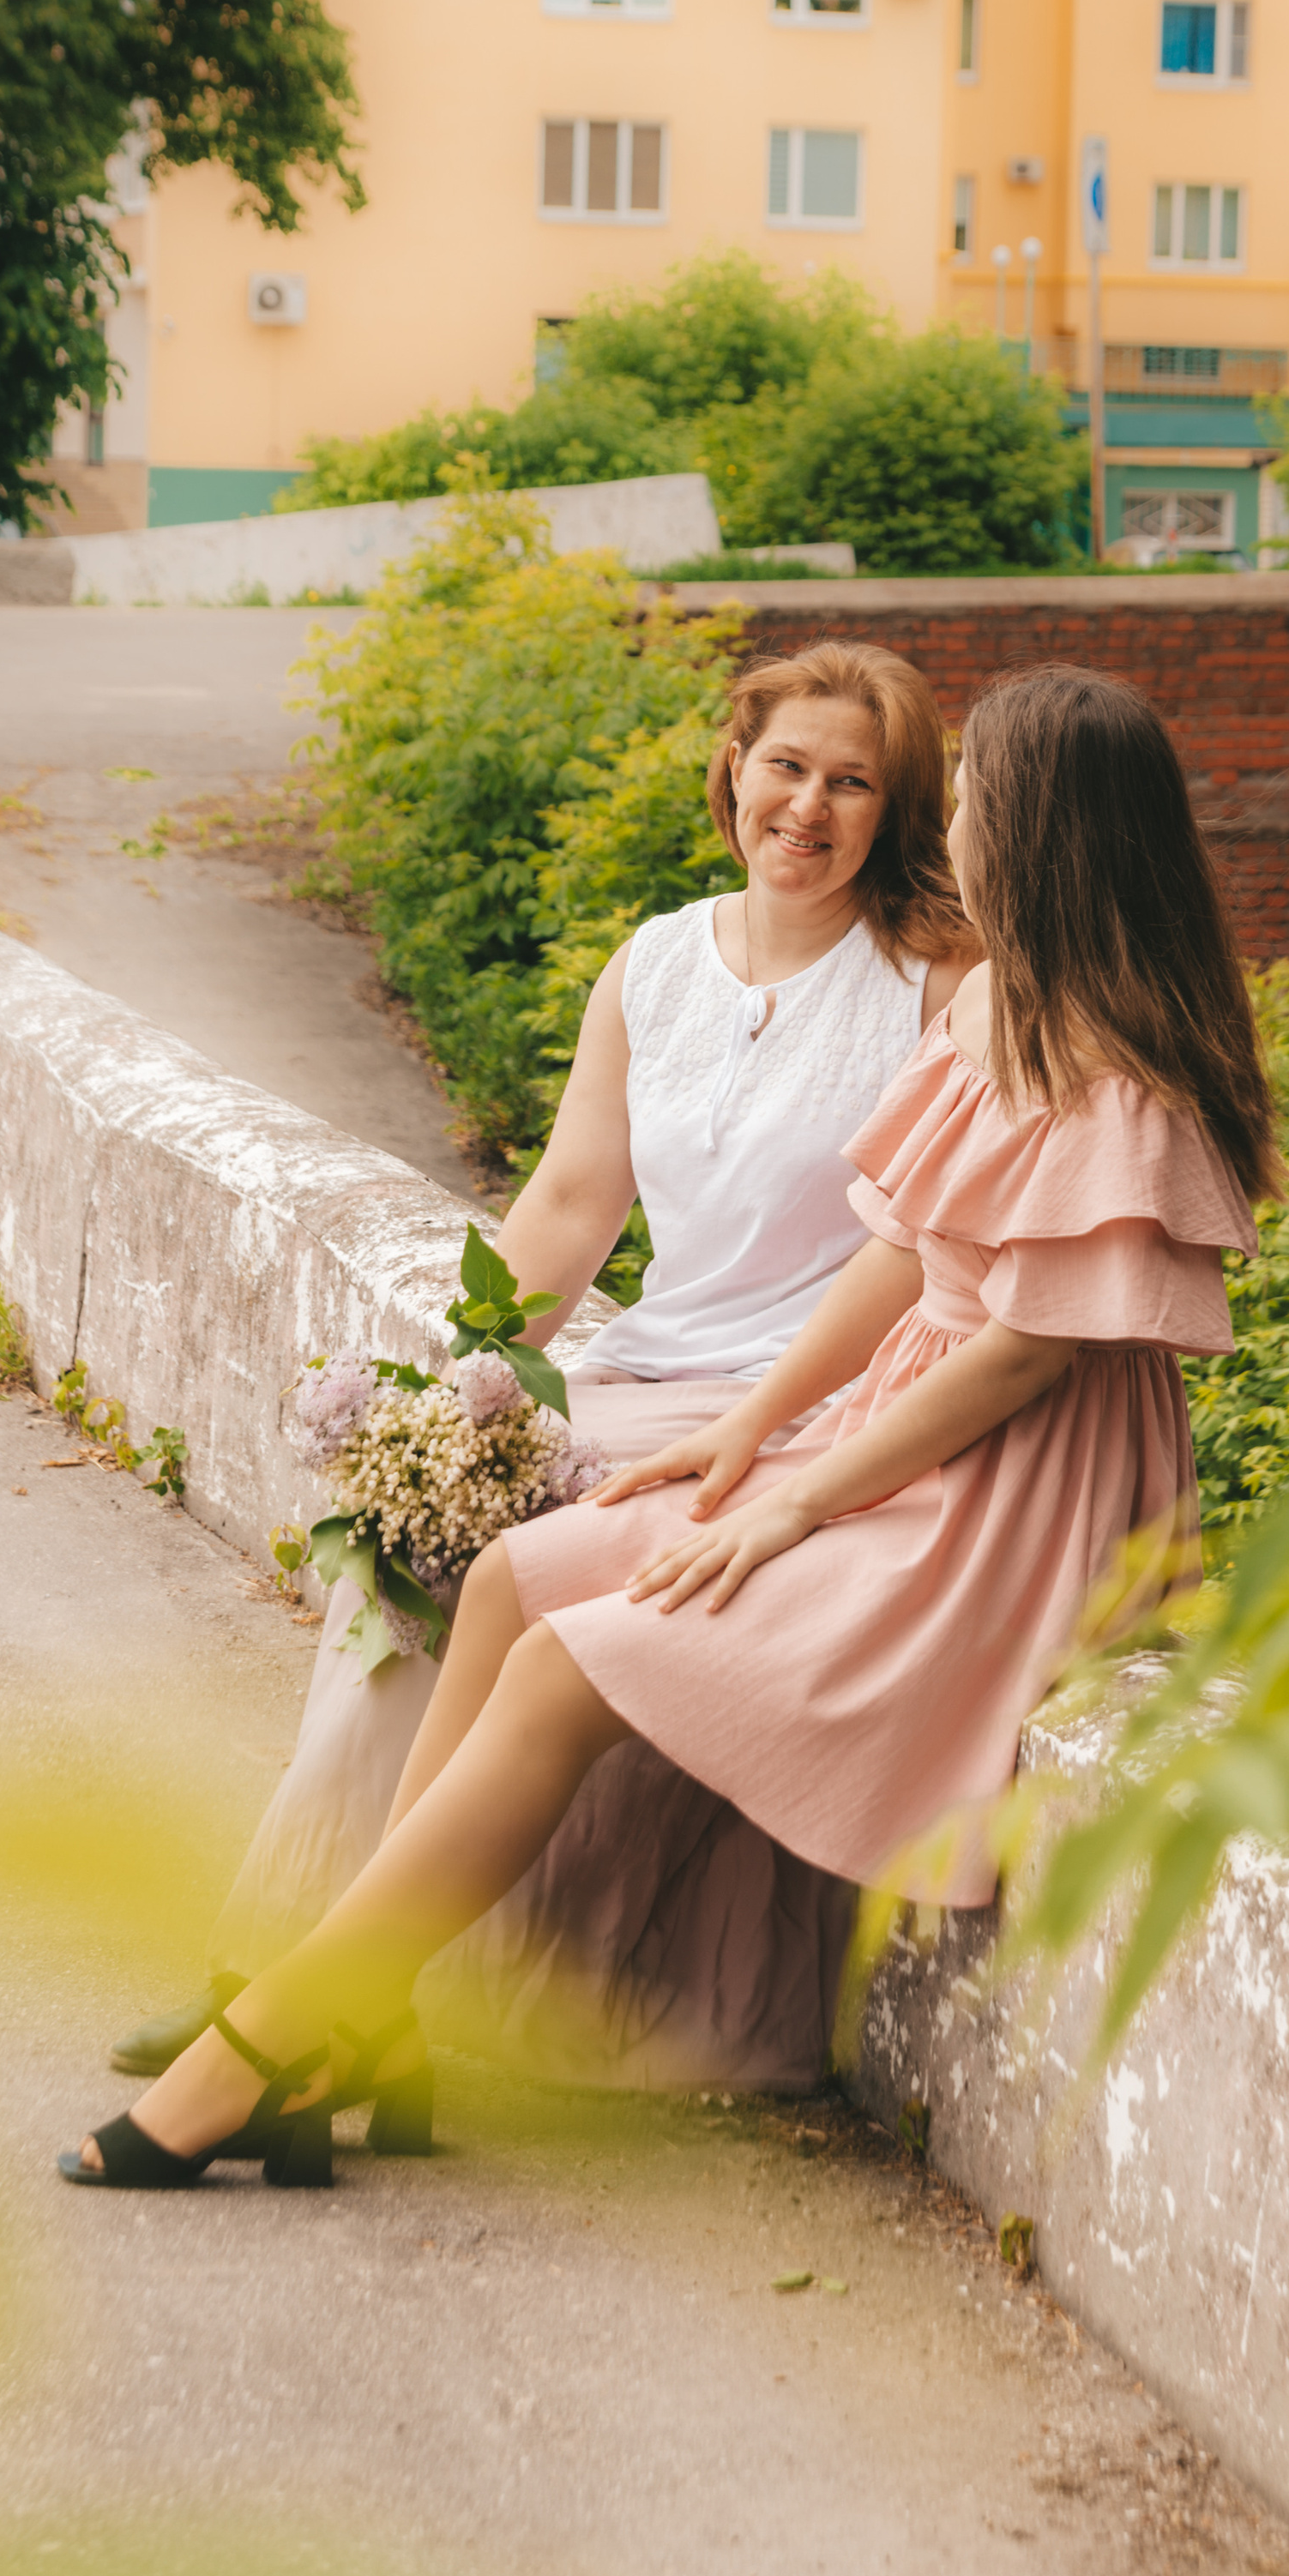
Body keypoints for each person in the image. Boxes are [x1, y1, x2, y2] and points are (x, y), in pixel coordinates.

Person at [63, 663, 1274, 2190]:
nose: (941, 826)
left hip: (1000, 1495)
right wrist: (745, 1435)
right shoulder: (998, 1015)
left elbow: (1020, 1362)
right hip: (884, 1424)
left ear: (1037, 837)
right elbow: (899, 1257)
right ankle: (359, 2012)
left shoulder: (1113, 1075)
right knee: (511, 1579)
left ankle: (278, 2039)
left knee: (580, 1655)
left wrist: (792, 1500)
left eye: (957, 801)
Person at [110, 638, 973, 2111]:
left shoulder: (937, 983)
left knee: (544, 1566)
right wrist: (472, 1383)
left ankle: (383, 1994)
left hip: (805, 1397)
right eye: (786, 767)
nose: (809, 810)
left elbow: (933, 1248)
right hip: (645, 1361)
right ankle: (287, 1970)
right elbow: (576, 1208)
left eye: (853, 784)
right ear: (733, 769)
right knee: (405, 1545)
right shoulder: (655, 964)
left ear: (897, 813)